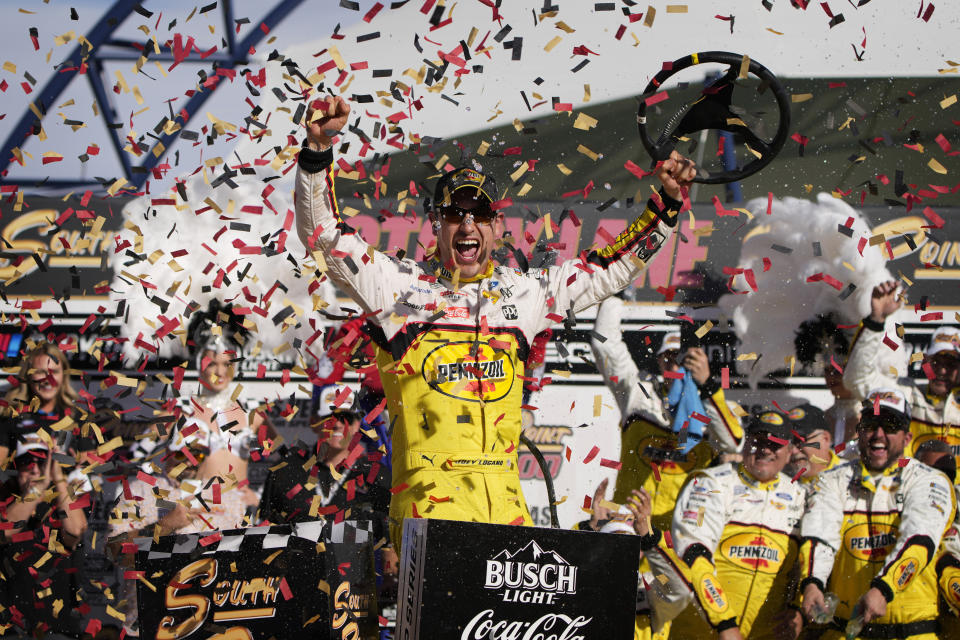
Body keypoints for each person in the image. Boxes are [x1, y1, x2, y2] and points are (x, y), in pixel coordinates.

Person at [295, 95, 696, 543]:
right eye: (454, 214)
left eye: (480, 214)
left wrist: (665, 208)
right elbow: (322, 236)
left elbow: (611, 269)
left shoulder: (525, 293)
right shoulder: (397, 288)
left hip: (506, 516)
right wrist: (317, 152)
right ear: (436, 224)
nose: (468, 225)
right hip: (429, 518)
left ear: (498, 227)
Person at [799, 388, 957, 640]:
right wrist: (812, 583)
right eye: (871, 424)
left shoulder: (930, 480)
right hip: (844, 631)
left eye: (890, 425)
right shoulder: (831, 480)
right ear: (859, 431)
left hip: (913, 632)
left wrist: (884, 589)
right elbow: (820, 536)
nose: (878, 434)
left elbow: (919, 540)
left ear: (907, 437)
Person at [590, 296, 743, 531]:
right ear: (659, 362)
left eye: (682, 359)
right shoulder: (639, 393)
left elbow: (733, 443)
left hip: (681, 531)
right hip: (629, 525)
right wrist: (613, 294)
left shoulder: (713, 405)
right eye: (668, 358)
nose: (675, 365)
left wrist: (708, 387)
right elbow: (604, 345)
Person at [670, 411, 806, 640]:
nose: (765, 450)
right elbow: (693, 556)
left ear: (790, 451)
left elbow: (799, 566)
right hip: (703, 632)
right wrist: (724, 622)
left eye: (775, 444)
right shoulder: (710, 483)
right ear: (746, 443)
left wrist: (796, 608)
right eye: (758, 442)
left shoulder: (799, 495)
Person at [843, 281, 960, 467]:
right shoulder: (904, 394)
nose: (942, 371)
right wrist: (876, 319)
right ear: (924, 362)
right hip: (910, 490)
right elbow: (857, 379)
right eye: (936, 362)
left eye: (952, 364)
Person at [258, 384, 392, 539]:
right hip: (300, 561)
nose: (338, 425)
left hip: (356, 562)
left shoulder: (375, 474)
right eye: (330, 418)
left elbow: (389, 545)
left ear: (356, 425)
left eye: (346, 418)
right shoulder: (285, 469)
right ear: (314, 422)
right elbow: (266, 532)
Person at [0, 435, 88, 636]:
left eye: (41, 461)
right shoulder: (4, 497)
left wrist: (57, 477)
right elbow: (4, 530)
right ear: (15, 467)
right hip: (10, 627)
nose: (34, 468)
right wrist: (38, 488)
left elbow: (75, 532)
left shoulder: (62, 499)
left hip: (56, 627)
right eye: (26, 462)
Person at [0, 341, 87, 468]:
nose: (48, 380)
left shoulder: (78, 417)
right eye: (41, 372)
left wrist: (71, 464)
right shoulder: (10, 416)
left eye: (55, 372)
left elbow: (93, 472)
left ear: (64, 374)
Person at [785, 402, 840, 489]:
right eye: (789, 442)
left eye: (800, 441)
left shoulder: (850, 476)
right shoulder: (780, 479)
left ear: (825, 439)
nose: (793, 450)